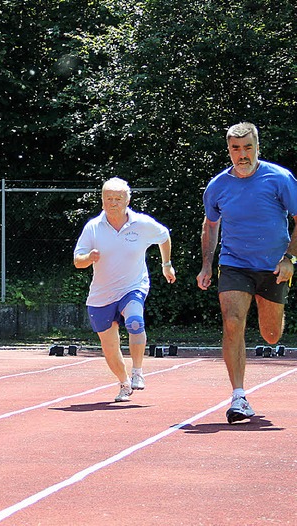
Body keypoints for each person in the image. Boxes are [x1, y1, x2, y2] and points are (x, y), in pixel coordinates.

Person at [197, 122, 297, 424]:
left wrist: (290, 258)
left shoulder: (279, 179)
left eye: (247, 147)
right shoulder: (217, 186)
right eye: (236, 148)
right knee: (232, 321)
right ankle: (238, 396)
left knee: (270, 335)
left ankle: (275, 315)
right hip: (234, 263)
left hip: (274, 265)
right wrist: (206, 265)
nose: (242, 154)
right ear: (229, 150)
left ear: (257, 146)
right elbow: (211, 225)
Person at [74, 177, 176, 402]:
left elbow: (164, 236)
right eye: (108, 198)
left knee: (135, 321)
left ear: (127, 200)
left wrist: (166, 264)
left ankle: (138, 371)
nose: (113, 203)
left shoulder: (141, 223)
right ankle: (123, 382)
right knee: (109, 347)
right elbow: (77, 261)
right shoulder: (93, 227)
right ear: (102, 201)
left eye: (118, 198)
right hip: (102, 294)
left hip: (133, 287)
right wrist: (89, 257)